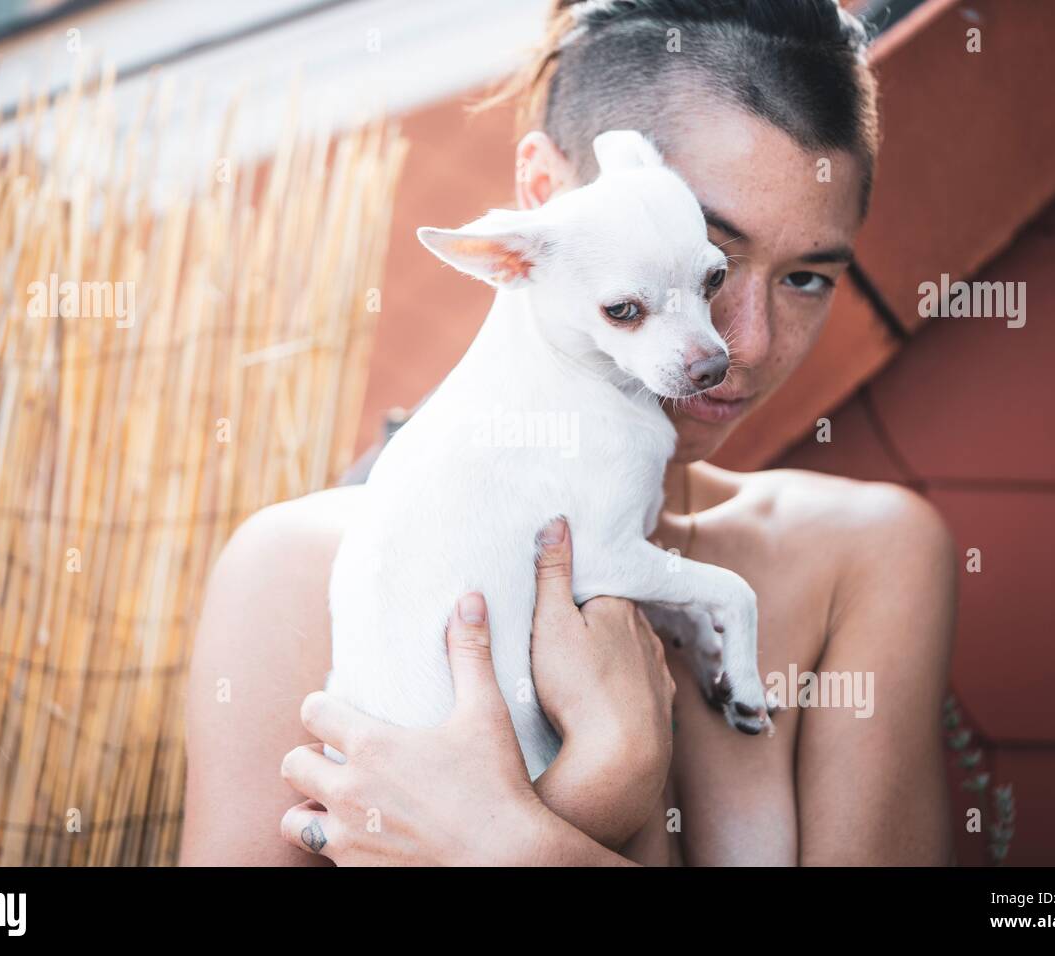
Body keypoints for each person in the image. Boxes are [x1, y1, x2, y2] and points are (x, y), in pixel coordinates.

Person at [180, 0, 957, 867]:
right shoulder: (299, 570)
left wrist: (519, 841)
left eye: (808, 278)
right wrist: (603, 787)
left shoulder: (862, 557)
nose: (743, 343)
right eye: (716, 256)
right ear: (544, 197)